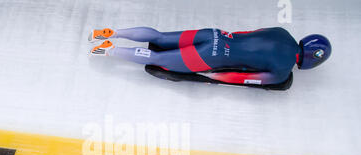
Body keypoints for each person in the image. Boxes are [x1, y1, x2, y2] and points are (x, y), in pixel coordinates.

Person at [88, 27, 332, 90]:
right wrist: (212, 75)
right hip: (209, 57)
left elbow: (249, 33)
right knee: (156, 57)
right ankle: (110, 50)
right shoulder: (281, 72)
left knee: (160, 37)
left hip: (214, 35)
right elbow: (240, 79)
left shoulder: (282, 32)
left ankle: (115, 32)